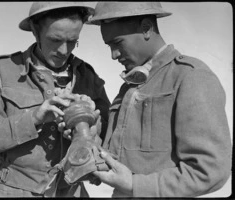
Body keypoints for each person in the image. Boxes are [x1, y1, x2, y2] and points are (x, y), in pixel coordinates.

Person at [0, 2, 110, 198]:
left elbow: (110, 138)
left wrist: (93, 128)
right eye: (55, 40)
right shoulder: (1, 72)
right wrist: (34, 118)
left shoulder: (87, 76)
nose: (64, 50)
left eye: (73, 41)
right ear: (35, 29)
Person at [88, 2, 232, 197]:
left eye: (118, 43)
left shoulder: (190, 76)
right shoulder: (130, 86)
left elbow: (209, 170)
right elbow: (120, 156)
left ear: (146, 28)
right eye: (109, 45)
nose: (113, 55)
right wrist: (93, 134)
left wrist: (134, 185)